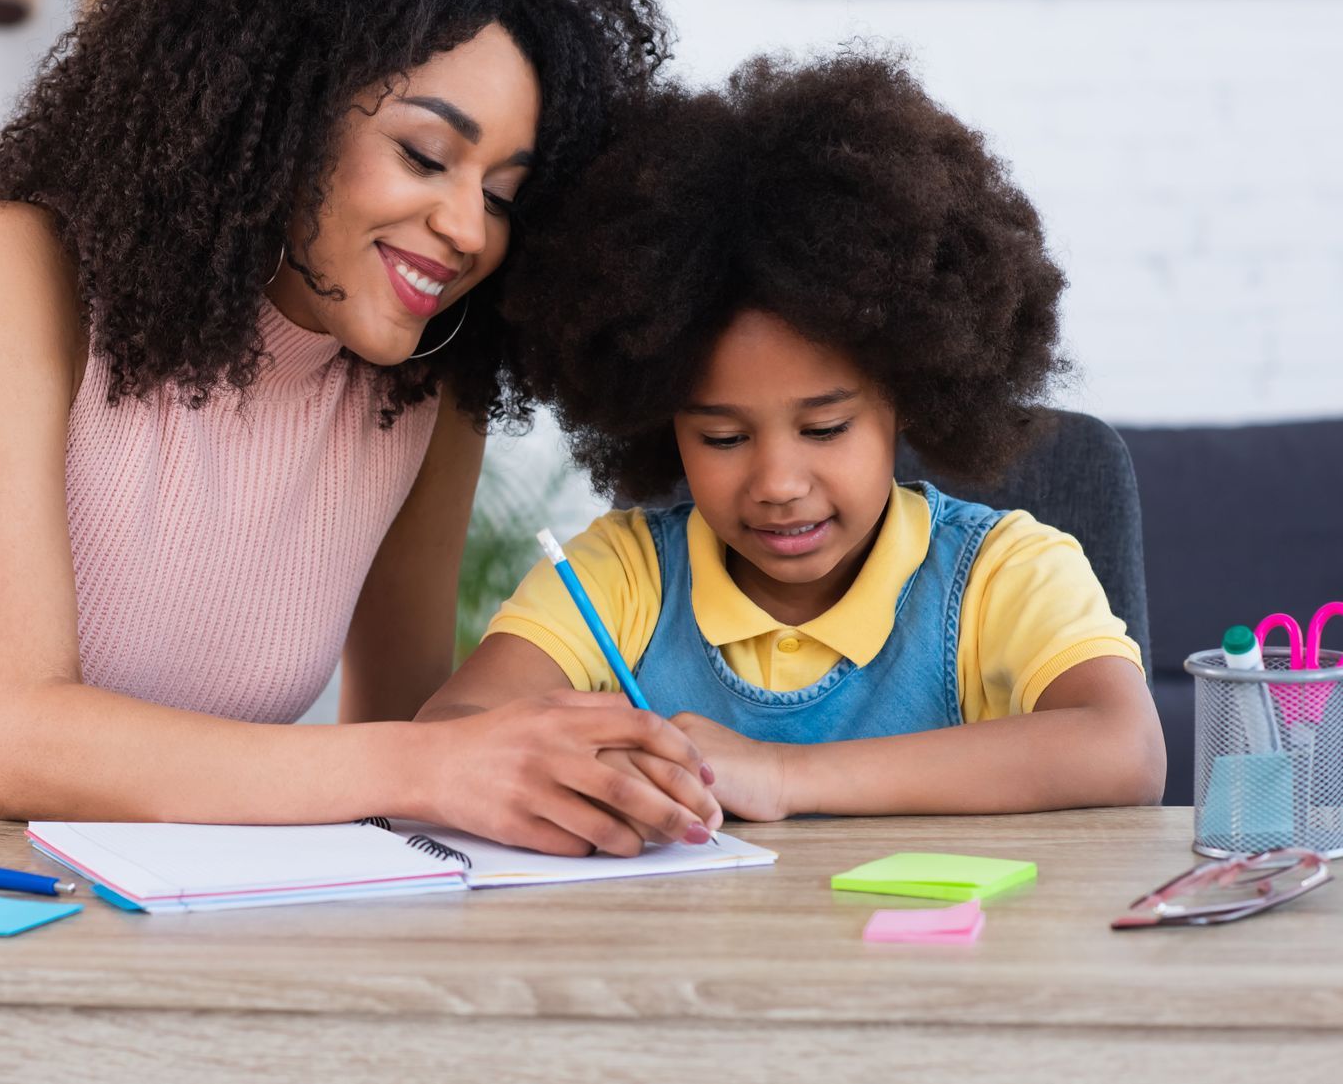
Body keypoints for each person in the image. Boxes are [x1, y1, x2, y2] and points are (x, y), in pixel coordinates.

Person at [0, 0, 722, 855]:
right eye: (426, 154)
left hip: (158, 867)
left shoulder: (425, 384)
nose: (469, 228)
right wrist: (430, 762)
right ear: (282, 111)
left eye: (504, 194)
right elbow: (17, 745)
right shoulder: (24, 275)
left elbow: (406, 738)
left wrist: (553, 771)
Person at [419, 49, 1167, 825]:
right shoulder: (622, 579)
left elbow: (1126, 749)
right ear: (659, 418)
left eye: (825, 427)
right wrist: (599, 771)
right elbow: (445, 736)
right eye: (721, 437)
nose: (777, 481)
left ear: (907, 395)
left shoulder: (1004, 574)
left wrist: (781, 775)